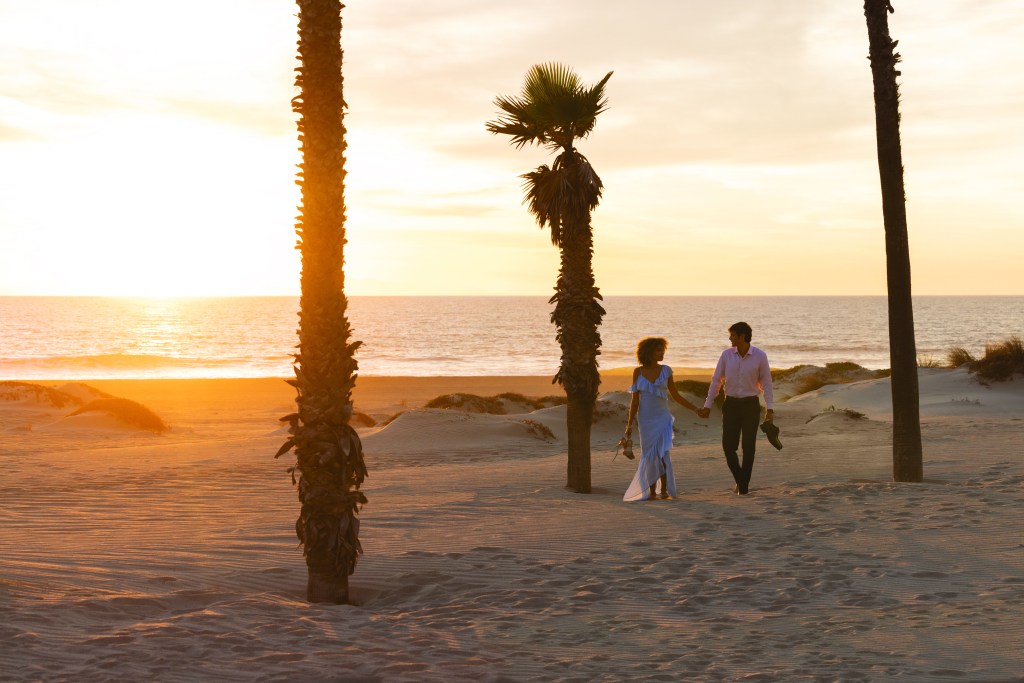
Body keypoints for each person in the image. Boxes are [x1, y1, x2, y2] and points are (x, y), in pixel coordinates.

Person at [698, 322, 775, 495]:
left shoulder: (760, 356)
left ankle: (743, 487)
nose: (730, 338)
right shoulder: (726, 355)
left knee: (749, 447)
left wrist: (770, 409)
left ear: (742, 336)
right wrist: (708, 405)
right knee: (728, 447)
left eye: (732, 335)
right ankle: (740, 480)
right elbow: (716, 380)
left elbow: (767, 383)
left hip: (750, 406)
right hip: (731, 405)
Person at [623, 337, 702, 502]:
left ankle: (664, 490)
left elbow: (676, 396)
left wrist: (695, 409)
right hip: (645, 420)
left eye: (663, 349)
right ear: (649, 352)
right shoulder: (638, 372)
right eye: (659, 350)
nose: (662, 353)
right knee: (649, 454)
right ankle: (651, 491)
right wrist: (629, 424)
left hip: (663, 418)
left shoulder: (666, 370)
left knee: (662, 453)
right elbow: (635, 401)